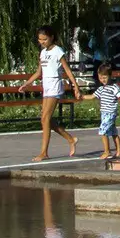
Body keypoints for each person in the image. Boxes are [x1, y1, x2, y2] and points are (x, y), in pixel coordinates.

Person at [24, 27, 80, 162]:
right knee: (45, 119)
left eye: (45, 39)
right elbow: (39, 72)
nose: (42, 42)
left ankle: (44, 152)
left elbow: (67, 70)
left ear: (52, 37)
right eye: (40, 39)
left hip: (55, 85)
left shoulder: (57, 51)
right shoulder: (43, 53)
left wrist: (75, 87)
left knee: (45, 118)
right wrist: (27, 84)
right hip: (46, 86)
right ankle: (70, 139)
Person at [94, 65, 120, 162]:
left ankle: (107, 151)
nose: (102, 80)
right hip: (104, 113)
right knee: (113, 132)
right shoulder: (101, 89)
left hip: (110, 113)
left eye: (104, 77)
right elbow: (92, 96)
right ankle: (119, 151)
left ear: (110, 76)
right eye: (100, 78)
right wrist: (81, 96)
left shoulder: (114, 87)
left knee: (103, 131)